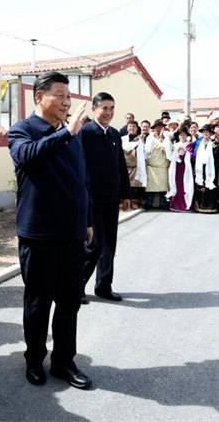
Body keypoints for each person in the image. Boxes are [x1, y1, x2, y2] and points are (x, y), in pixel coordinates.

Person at [8, 71, 93, 390]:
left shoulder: (74, 135)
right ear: (38, 97)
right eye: (59, 95)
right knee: (38, 302)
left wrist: (87, 220)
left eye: (69, 97)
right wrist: (67, 133)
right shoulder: (22, 131)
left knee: (69, 301)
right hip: (39, 235)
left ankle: (63, 361)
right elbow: (28, 157)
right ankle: (33, 359)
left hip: (72, 233)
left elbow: (81, 179)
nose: (66, 101)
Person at [79, 92, 131, 303]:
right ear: (94, 110)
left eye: (111, 108)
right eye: (104, 108)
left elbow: (121, 165)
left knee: (109, 244)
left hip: (111, 198)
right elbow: (80, 170)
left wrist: (126, 193)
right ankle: (77, 286)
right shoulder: (84, 133)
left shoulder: (114, 135)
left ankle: (103, 286)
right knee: (94, 244)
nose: (108, 112)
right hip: (92, 199)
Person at [144, 119, 172, 210]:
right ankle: (149, 203)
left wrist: (162, 139)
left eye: (161, 126)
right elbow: (148, 150)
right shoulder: (150, 137)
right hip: (152, 165)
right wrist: (159, 142)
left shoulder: (167, 137)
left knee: (163, 186)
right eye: (157, 127)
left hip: (163, 165)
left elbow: (169, 149)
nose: (159, 128)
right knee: (151, 186)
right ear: (154, 128)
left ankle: (163, 204)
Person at [167, 127, 194, 212]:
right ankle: (176, 205)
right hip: (176, 168)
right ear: (178, 136)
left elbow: (191, 156)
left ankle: (185, 205)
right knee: (176, 185)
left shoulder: (189, 145)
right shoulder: (175, 145)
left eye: (184, 134)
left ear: (187, 136)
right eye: (181, 134)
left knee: (185, 185)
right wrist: (176, 153)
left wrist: (184, 152)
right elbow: (171, 157)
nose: (182, 136)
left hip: (185, 168)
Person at [193, 124, 218, 213]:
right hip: (201, 167)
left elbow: (217, 155)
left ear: (211, 133)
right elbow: (195, 154)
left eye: (207, 132)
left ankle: (210, 206)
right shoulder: (199, 143)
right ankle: (200, 205)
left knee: (209, 186)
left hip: (211, 167)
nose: (206, 134)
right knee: (201, 186)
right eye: (204, 132)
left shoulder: (214, 143)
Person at [121, 120, 146, 208]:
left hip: (136, 166)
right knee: (124, 185)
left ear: (137, 128)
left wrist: (137, 142)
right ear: (127, 128)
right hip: (125, 165)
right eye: (130, 126)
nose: (132, 128)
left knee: (135, 186)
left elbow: (143, 153)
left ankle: (135, 201)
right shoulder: (122, 139)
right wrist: (132, 143)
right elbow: (123, 148)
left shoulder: (140, 139)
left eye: (134, 127)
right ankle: (123, 201)